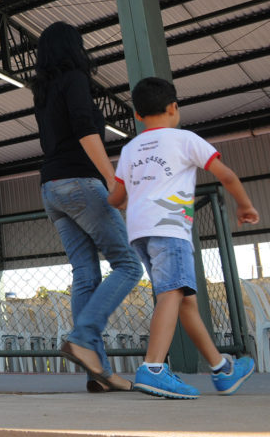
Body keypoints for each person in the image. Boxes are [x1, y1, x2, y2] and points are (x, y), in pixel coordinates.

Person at [108, 77, 259, 399]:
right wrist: (244, 206)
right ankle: (153, 368)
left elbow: (116, 198)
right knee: (173, 293)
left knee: (185, 300)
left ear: (137, 115)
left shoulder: (130, 148)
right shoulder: (185, 139)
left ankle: (222, 370)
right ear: (174, 107)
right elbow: (226, 174)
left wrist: (127, 197)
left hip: (140, 233)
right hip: (169, 228)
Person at [32, 21, 142, 392]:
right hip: (79, 182)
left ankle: (98, 373)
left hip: (51, 187)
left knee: (85, 274)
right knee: (128, 264)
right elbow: (84, 128)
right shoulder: (75, 80)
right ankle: (82, 337)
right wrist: (112, 179)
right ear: (73, 48)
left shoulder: (43, 91)